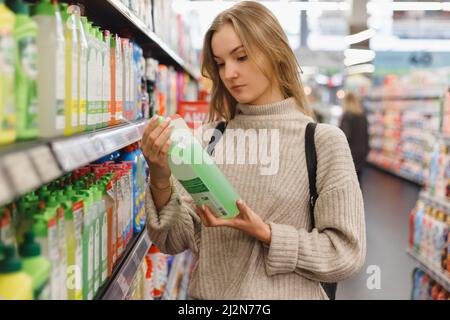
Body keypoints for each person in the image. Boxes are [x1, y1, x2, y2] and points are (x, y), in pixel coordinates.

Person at [142, 1, 366, 300]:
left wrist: (268, 234)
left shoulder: (322, 141)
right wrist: (159, 177)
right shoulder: (211, 139)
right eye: (220, 63)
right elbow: (173, 239)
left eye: (241, 57)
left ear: (275, 52)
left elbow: (346, 253)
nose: (230, 73)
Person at [339, 92, 370, 185]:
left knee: (349, 182)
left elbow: (345, 136)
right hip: (362, 151)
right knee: (358, 180)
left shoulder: (347, 117)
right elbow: (366, 135)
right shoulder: (362, 115)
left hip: (351, 153)